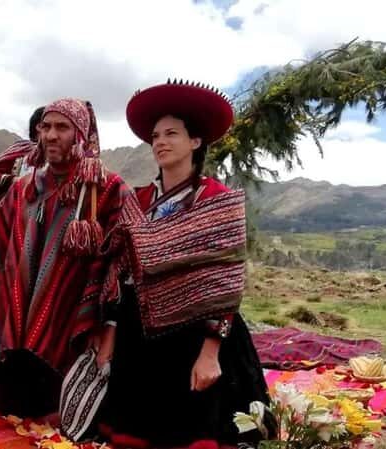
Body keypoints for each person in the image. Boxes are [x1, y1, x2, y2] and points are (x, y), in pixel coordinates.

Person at [94, 80, 270, 449]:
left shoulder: (217, 201)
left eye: (172, 133)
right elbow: (120, 272)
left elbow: (225, 282)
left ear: (195, 141)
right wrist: (109, 334)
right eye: (155, 135)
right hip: (140, 336)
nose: (160, 141)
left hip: (197, 334)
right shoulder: (138, 200)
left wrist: (210, 355)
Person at [0, 99, 144, 418]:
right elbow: (2, 254)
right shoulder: (21, 190)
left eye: (62, 127)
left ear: (81, 135)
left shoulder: (108, 189)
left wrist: (108, 318)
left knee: (58, 420)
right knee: (10, 413)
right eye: (45, 127)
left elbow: (132, 254)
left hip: (76, 325)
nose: (50, 135)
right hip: (16, 330)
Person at [0, 106, 45, 197]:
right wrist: (14, 181)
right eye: (48, 125)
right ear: (39, 127)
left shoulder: (65, 157)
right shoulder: (21, 149)